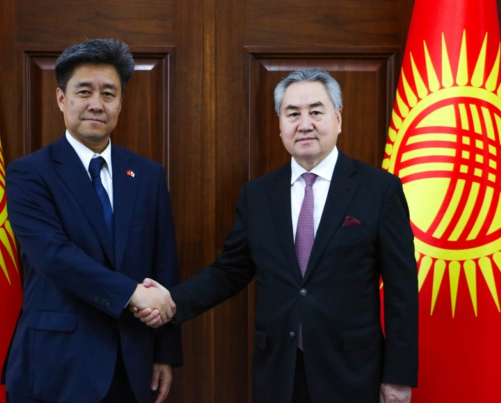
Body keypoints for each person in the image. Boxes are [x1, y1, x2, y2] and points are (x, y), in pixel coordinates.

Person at [136, 69, 418, 403]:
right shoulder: (258, 195)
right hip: (279, 371)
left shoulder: (379, 190)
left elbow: (401, 290)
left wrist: (398, 376)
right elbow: (230, 271)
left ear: (338, 119)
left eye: (316, 112)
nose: (304, 124)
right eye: (293, 114)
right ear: (280, 125)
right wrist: (171, 302)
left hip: (352, 371)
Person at [3, 39, 182, 403]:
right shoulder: (29, 173)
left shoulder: (147, 175)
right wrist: (132, 293)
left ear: (120, 102)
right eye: (84, 92)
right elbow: (54, 256)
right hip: (56, 364)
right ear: (61, 99)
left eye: (108, 94)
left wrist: (164, 351)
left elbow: (163, 264)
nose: (96, 104)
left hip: (132, 363)